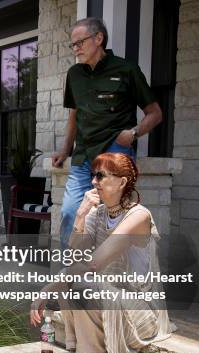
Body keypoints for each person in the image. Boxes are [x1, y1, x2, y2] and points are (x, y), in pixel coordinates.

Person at [30, 152, 174, 353]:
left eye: (101, 176)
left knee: (81, 283)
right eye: (92, 175)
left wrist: (46, 290)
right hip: (108, 294)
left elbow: (93, 264)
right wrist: (79, 215)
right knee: (69, 278)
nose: (94, 181)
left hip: (140, 307)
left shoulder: (138, 216)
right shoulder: (98, 214)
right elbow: (74, 259)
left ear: (122, 182)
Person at [52, 17, 163, 248]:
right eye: (73, 45)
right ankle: (69, 274)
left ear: (98, 38)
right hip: (83, 154)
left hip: (114, 152)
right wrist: (65, 149)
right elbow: (75, 114)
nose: (76, 49)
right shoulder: (74, 74)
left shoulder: (127, 69)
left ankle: (109, 275)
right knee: (71, 211)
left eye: (80, 42)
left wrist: (133, 133)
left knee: (113, 218)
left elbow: (155, 113)